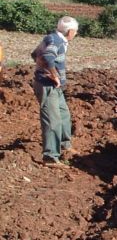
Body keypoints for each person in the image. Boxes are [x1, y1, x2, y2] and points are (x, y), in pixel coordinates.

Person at [32, 16, 79, 167]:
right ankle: (50, 156)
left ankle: (65, 144)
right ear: (70, 31)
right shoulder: (57, 41)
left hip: (54, 86)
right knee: (53, 120)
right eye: (75, 31)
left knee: (64, 115)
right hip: (47, 85)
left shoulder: (52, 37)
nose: (76, 34)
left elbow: (35, 54)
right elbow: (47, 55)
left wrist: (42, 67)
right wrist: (52, 74)